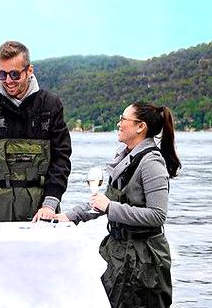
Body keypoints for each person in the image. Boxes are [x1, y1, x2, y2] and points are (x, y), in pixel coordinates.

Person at [50, 101, 181, 308]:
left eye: (123, 119)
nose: (119, 124)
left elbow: (157, 216)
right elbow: (105, 200)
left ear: (140, 127)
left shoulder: (152, 163)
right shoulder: (127, 157)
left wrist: (111, 208)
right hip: (119, 252)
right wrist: (70, 216)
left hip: (144, 260)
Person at [0, 40, 72, 222]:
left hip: (43, 209)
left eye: (14, 74)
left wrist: (50, 203)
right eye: (2, 74)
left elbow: (61, 158)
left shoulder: (51, 104)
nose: (8, 81)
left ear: (29, 71)